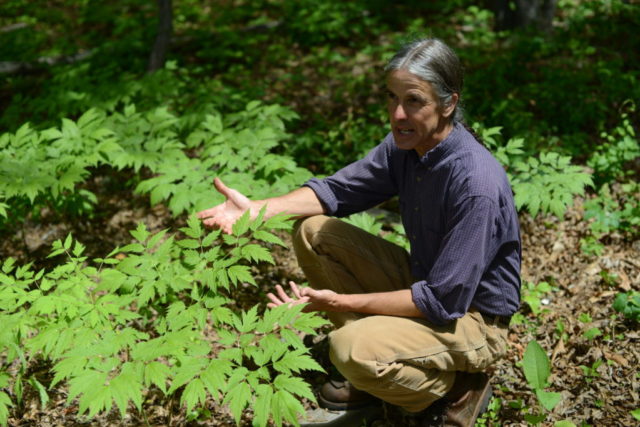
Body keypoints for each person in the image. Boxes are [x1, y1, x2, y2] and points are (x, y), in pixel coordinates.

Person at [197, 38, 521, 426]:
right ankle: (381, 363)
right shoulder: (407, 146)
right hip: (426, 287)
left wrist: (341, 304)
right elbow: (337, 191)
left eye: (414, 101)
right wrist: (257, 210)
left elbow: (442, 301)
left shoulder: (474, 185)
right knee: (314, 232)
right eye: (391, 98)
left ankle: (453, 389)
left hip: (472, 320)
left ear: (448, 103)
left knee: (347, 348)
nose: (397, 114)